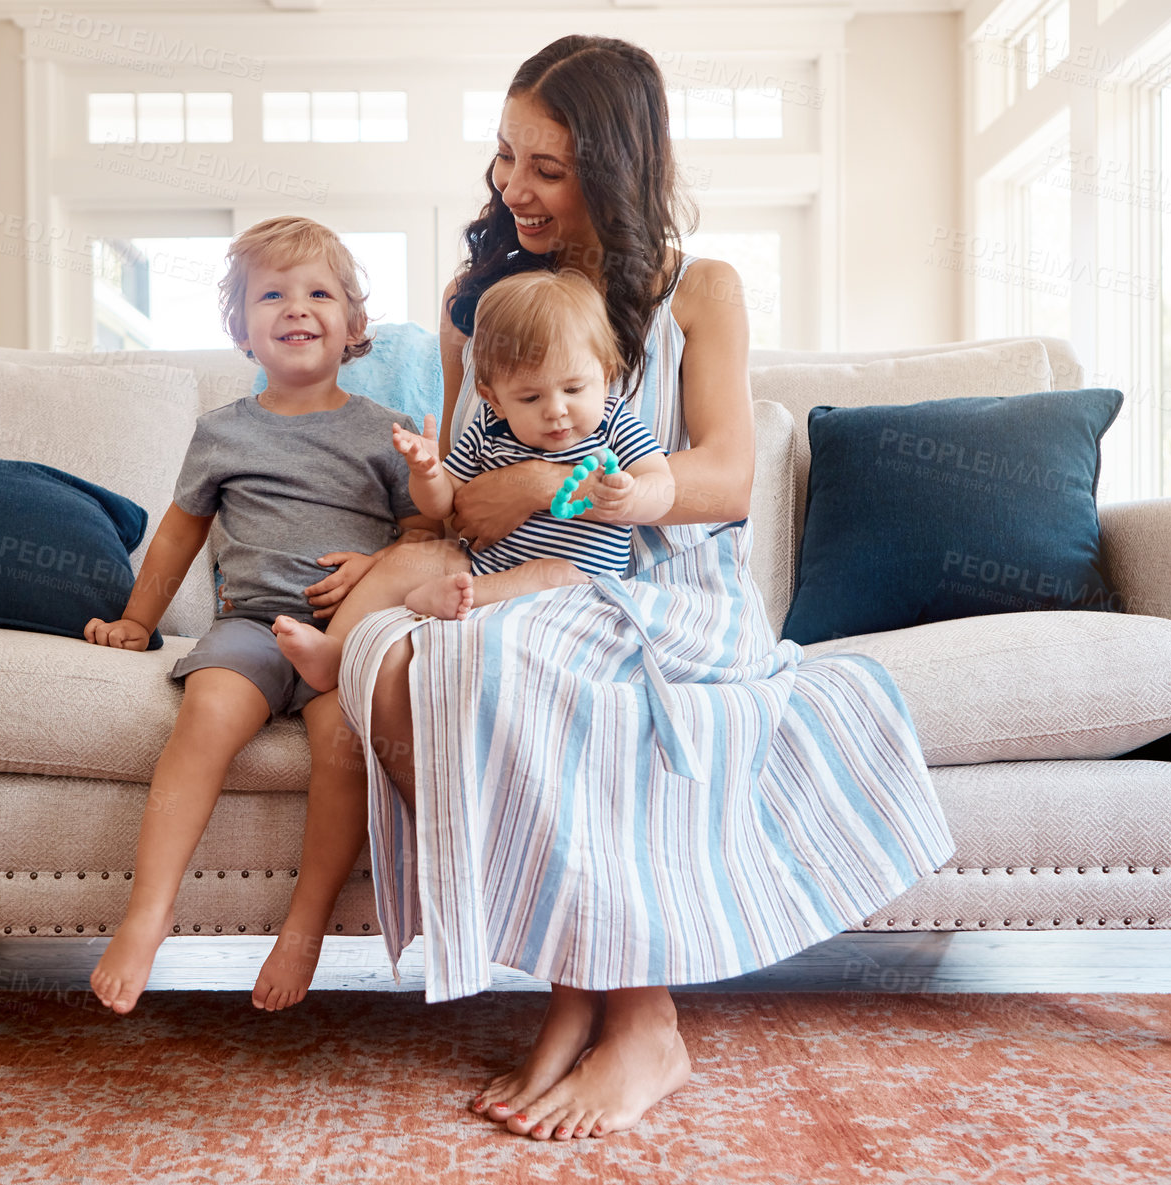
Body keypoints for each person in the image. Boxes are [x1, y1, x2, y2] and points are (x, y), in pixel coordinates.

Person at [335, 35, 957, 1141]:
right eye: (504, 157)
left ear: (615, 168)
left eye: (547, 167)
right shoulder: (472, 303)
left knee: (513, 663)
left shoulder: (699, 292)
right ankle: (581, 985)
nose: (511, 188)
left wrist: (551, 479)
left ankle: (644, 1023)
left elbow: (726, 478)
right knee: (398, 671)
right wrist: (443, 510)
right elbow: (462, 493)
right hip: (529, 573)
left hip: (670, 582)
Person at [83, 215, 439, 1015]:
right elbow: (181, 531)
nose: (295, 307)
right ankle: (148, 912)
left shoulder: (388, 432)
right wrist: (138, 620)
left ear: (354, 324)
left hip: (344, 635)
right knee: (206, 710)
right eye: (271, 294)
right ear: (240, 327)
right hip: (249, 625)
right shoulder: (222, 432)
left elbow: (425, 534)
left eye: (318, 293)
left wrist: (377, 566)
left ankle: (304, 927)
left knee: (344, 742)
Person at [270, 268, 675, 691]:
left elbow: (663, 487)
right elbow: (443, 505)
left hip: (574, 583)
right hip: (482, 566)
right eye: (531, 397)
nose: (556, 410)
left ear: (605, 374)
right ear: (493, 398)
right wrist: (427, 473)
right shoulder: (490, 428)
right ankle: (334, 652)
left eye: (574, 389)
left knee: (556, 574)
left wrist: (631, 498)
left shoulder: (613, 424)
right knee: (413, 557)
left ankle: (442, 601)